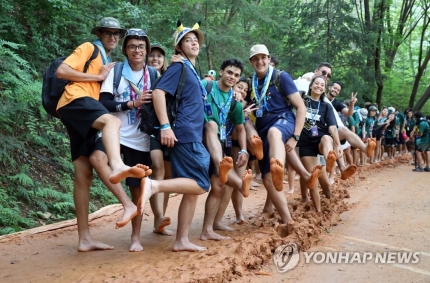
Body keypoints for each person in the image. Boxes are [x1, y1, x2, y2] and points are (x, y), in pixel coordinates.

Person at [56, 17, 151, 252]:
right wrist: (97, 77)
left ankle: (84, 239)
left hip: (81, 110)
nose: (111, 37)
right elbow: (62, 71)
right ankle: (118, 166)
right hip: (77, 100)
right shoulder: (90, 48)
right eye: (107, 33)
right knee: (111, 122)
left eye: (115, 33)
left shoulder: (108, 60)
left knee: (83, 174)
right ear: (99, 34)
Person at [94, 28, 172, 252]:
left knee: (138, 189)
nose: (137, 50)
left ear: (146, 50)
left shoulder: (155, 75)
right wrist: (131, 104)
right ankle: (125, 204)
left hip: (141, 138)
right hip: (115, 132)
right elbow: (104, 103)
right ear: (125, 49)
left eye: (141, 47)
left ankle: (135, 238)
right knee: (97, 158)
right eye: (132, 46)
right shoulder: (116, 71)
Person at [140, 20, 212, 252]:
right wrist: (165, 126)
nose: (194, 43)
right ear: (178, 47)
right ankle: (153, 186)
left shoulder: (189, 69)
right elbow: (159, 92)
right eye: (187, 40)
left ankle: (181, 240)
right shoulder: (179, 68)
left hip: (192, 133)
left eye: (196, 40)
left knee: (191, 190)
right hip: (184, 132)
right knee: (201, 184)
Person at [246, 44, 322, 223]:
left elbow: (301, 107)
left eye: (263, 57)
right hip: (262, 128)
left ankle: (278, 168)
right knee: (266, 179)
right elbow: (248, 106)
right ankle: (288, 221)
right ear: (251, 62)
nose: (260, 61)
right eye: (256, 59)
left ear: (269, 58)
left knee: (274, 133)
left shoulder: (281, 77)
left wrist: (295, 136)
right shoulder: (251, 82)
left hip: (283, 120)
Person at [200, 59, 252, 240]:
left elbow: (240, 127)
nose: (232, 77)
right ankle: (239, 184)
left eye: (236, 75)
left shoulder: (234, 102)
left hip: (217, 143)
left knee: (218, 185)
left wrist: (244, 150)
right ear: (221, 72)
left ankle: (207, 230)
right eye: (229, 72)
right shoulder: (205, 85)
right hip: (198, 135)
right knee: (212, 125)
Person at [297, 76, 342, 212]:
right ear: (311, 86)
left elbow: (333, 127)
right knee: (314, 179)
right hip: (305, 143)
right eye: (316, 83)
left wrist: (338, 144)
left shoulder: (326, 106)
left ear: (324, 89)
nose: (319, 86)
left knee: (327, 138)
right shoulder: (302, 101)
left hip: (320, 140)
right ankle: (318, 211)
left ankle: (329, 159)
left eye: (322, 85)